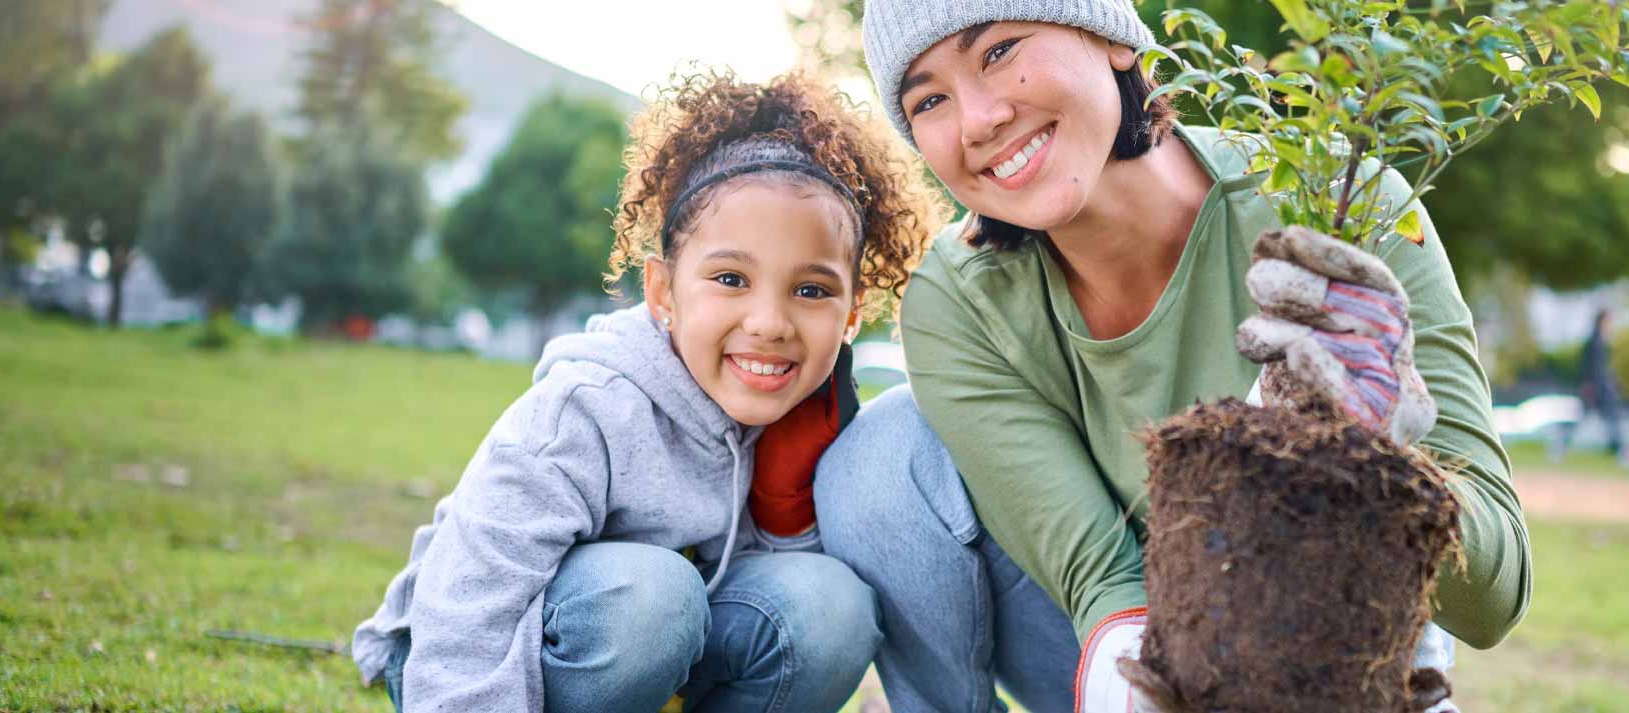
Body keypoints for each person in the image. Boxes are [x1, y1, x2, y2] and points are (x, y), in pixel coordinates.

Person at [812, 3, 1533, 712]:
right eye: (930, 98)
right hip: (1121, 644)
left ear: (1113, 39)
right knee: (880, 457)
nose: (977, 120)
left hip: (1322, 652)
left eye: (1000, 50)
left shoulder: (1348, 209)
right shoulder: (958, 298)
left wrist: (1376, 450)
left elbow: (1493, 599)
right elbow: (1101, 575)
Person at [349, 71, 942, 713]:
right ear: (662, 293)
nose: (770, 323)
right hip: (475, 658)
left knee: (832, 604)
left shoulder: (814, 419)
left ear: (853, 314)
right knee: (654, 596)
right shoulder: (590, 405)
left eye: (812, 290)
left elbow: (777, 589)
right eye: (730, 278)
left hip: (665, 661)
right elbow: (474, 588)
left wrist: (788, 504)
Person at [1577, 308, 1625, 456]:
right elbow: (1591, 367)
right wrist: (1589, 385)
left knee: (1611, 418)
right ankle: (1561, 447)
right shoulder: (1595, 341)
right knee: (1583, 418)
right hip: (1597, 387)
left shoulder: (1601, 340)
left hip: (1602, 387)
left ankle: (1615, 448)